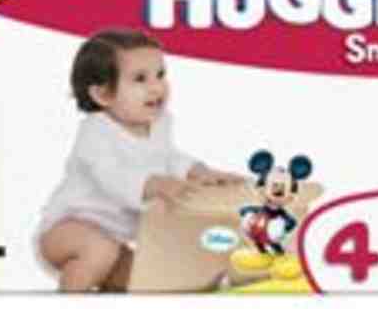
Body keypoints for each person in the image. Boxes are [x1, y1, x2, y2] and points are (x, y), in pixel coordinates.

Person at [36, 29, 242, 292]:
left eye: (160, 74)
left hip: (113, 240)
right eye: (140, 79)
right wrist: (154, 184)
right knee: (100, 251)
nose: (156, 87)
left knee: (149, 279)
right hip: (66, 230)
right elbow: (111, 175)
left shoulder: (158, 124)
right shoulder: (96, 132)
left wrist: (199, 171)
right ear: (102, 95)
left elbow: (169, 158)